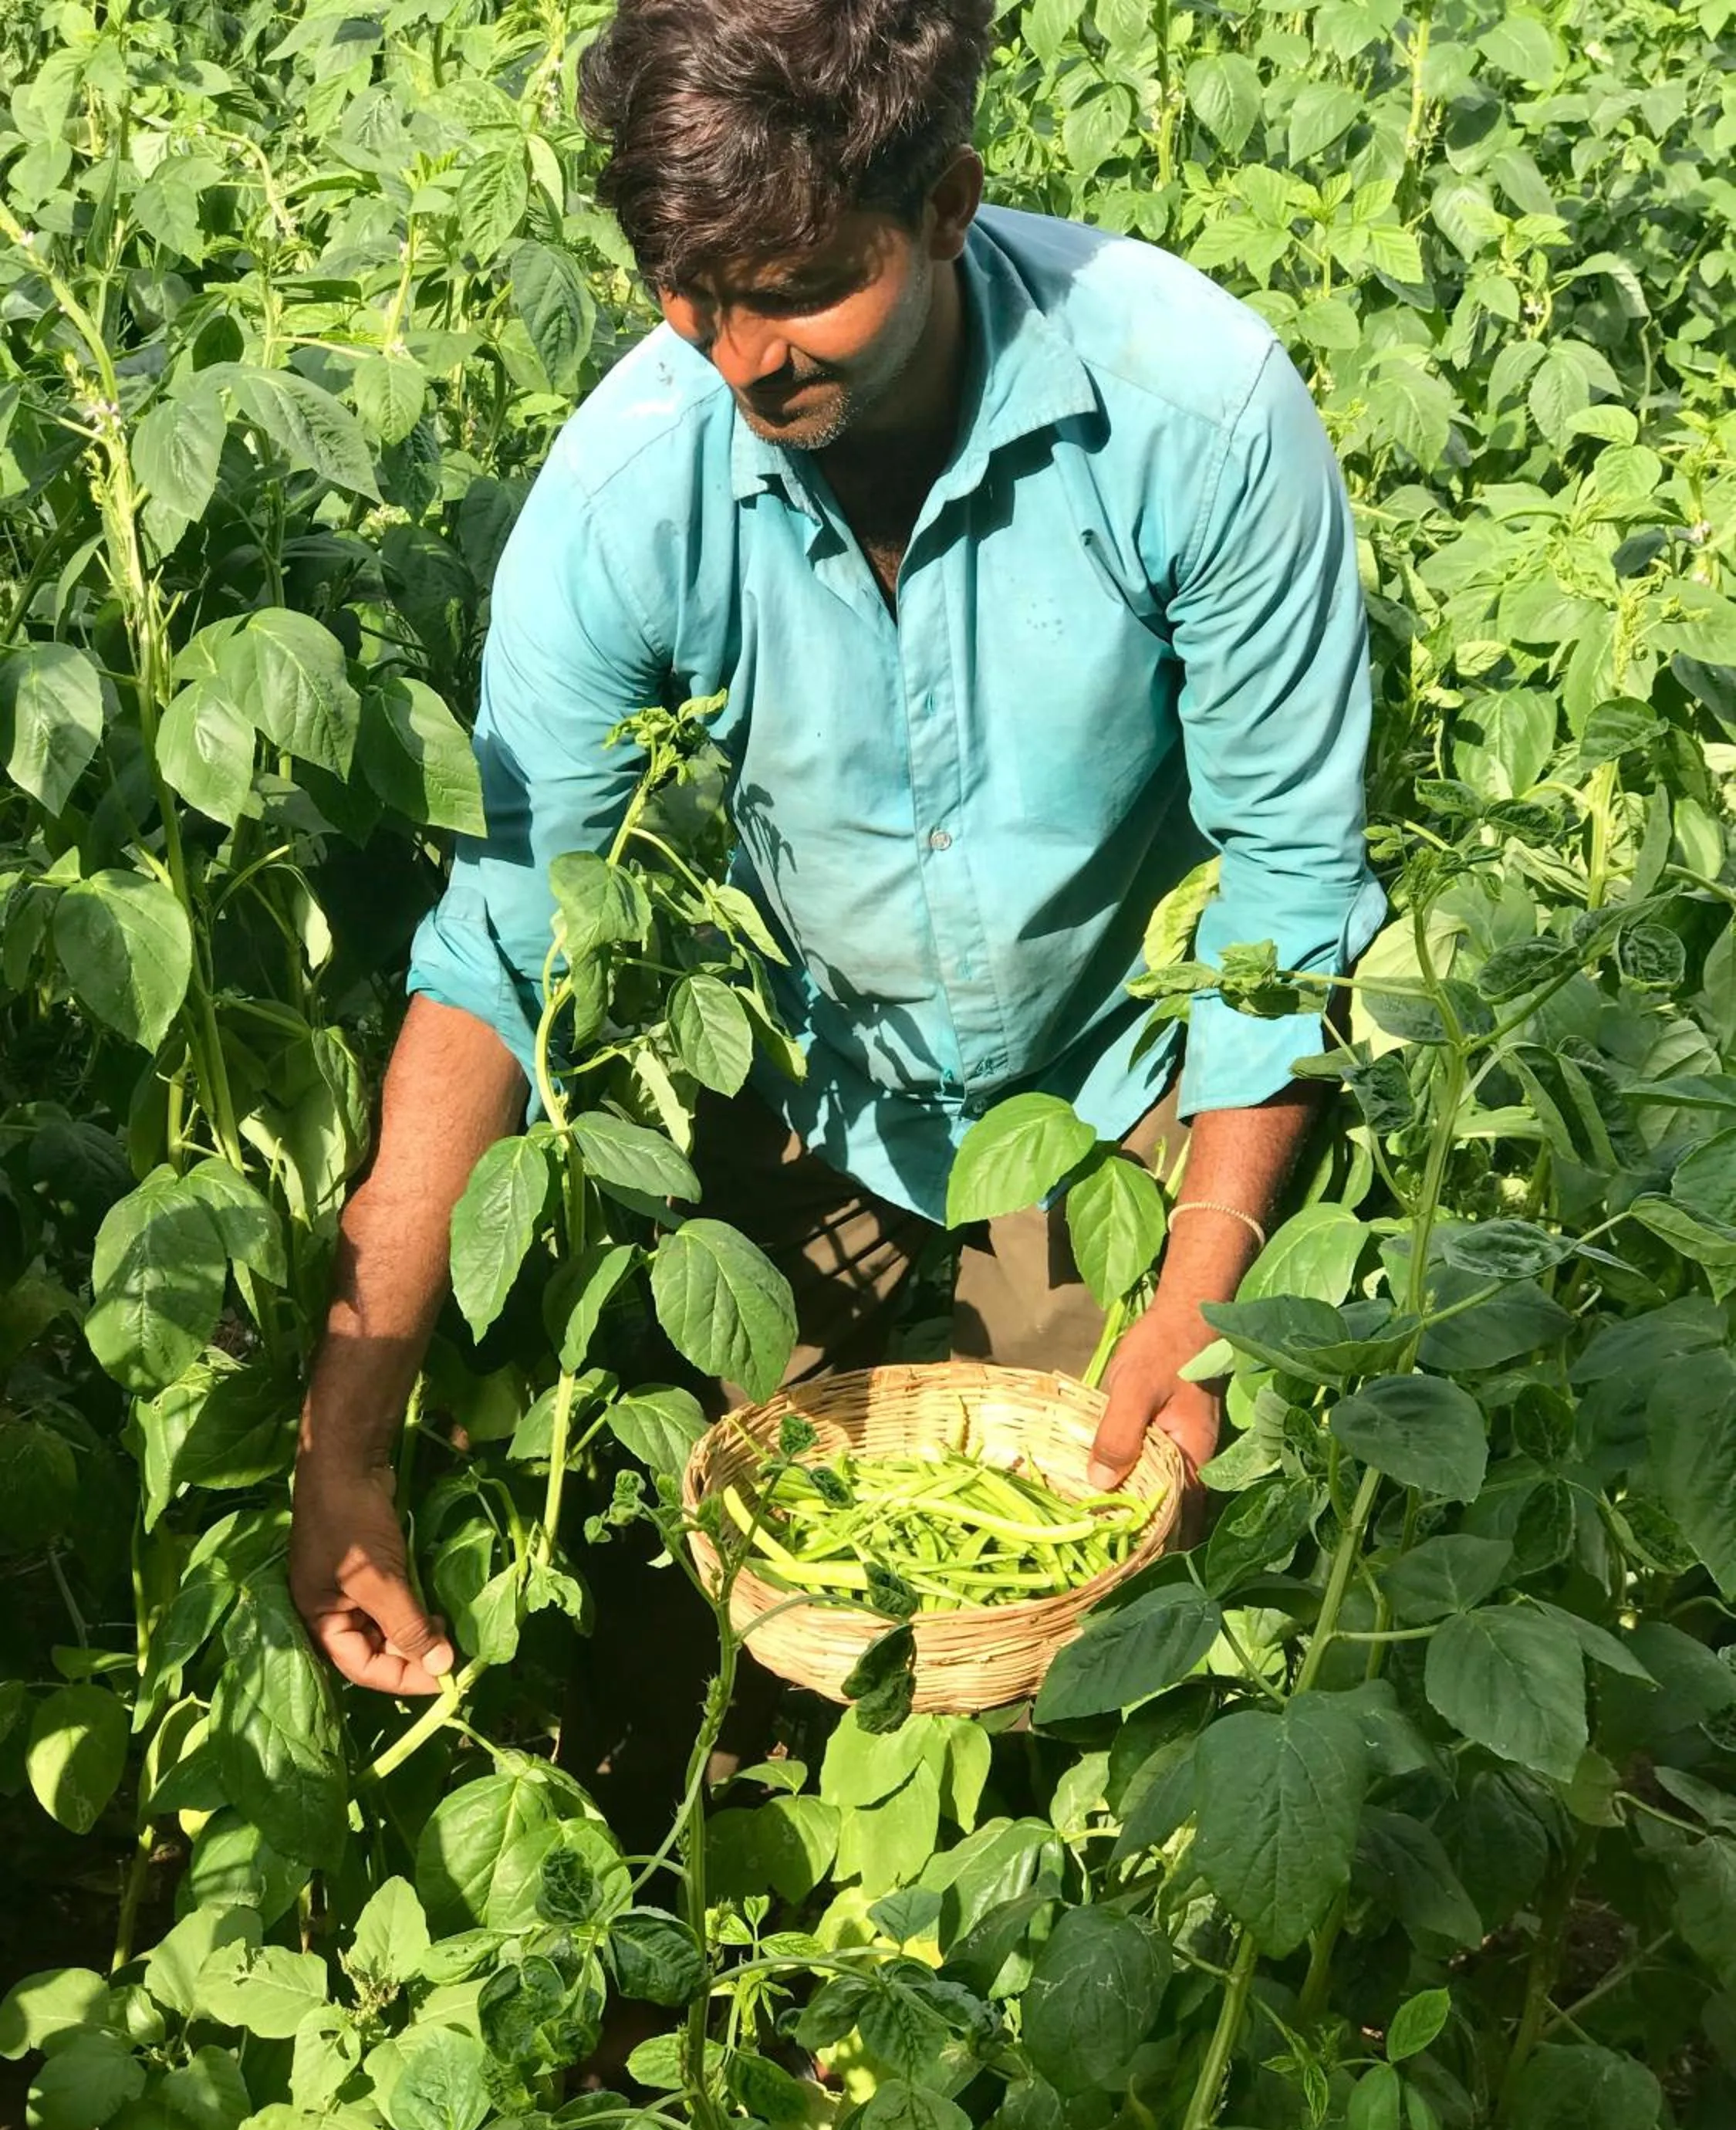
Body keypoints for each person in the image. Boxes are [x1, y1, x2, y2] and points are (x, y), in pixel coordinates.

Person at [289, 0, 1383, 1698]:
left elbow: (1284, 882)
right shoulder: (628, 502)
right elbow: (499, 957)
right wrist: (344, 1445)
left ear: (947, 204)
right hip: (813, 1066)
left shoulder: (1197, 415)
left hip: (1124, 1078)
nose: (739, 358)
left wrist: (1202, 1290)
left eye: (801, 291)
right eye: (688, 295)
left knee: (1088, 1608)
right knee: (762, 1599)